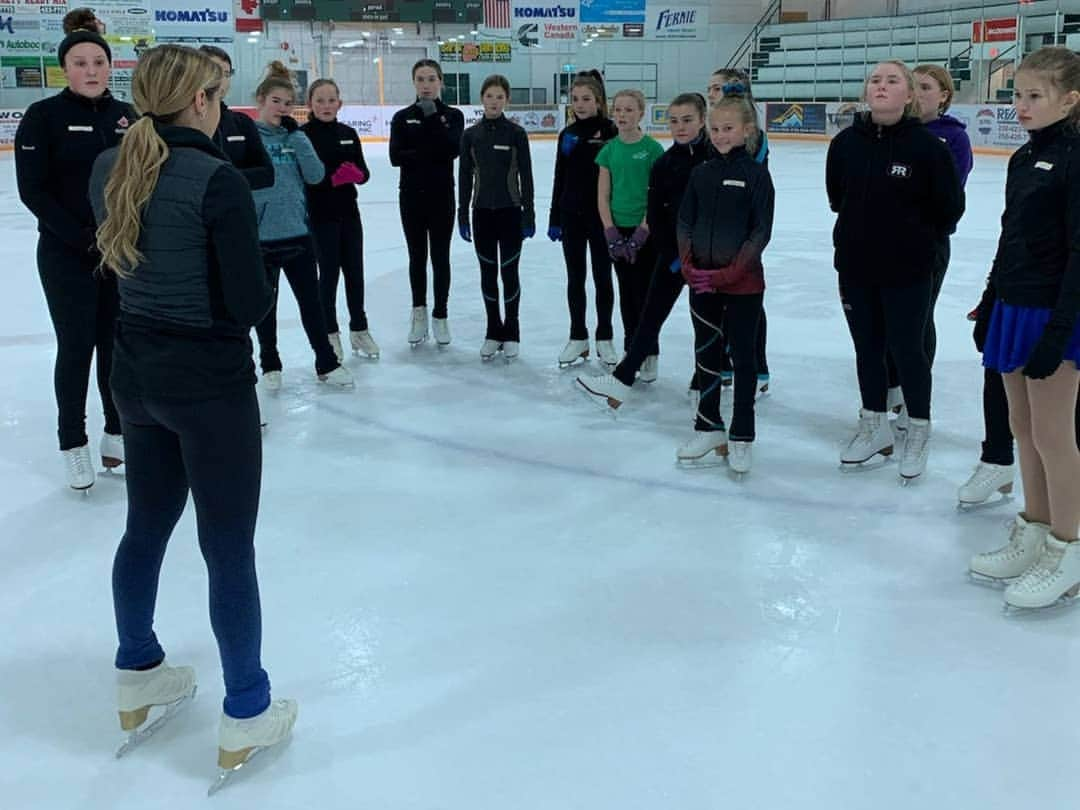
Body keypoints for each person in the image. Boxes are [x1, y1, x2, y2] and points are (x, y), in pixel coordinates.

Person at [87, 43, 296, 774]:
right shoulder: (216, 179)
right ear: (202, 101)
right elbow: (246, 304)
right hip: (207, 386)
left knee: (145, 526)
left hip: (134, 378)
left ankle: (137, 670)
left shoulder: (109, 166)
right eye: (221, 94)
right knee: (227, 547)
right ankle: (247, 709)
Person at [968, 47, 1080, 610]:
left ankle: (1070, 547)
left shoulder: (1077, 159)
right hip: (1014, 305)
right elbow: (1010, 236)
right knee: (1022, 427)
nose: (1022, 105)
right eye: (1018, 94)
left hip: (1054, 312)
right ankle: (1035, 528)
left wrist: (1059, 331)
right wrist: (990, 302)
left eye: (1035, 95)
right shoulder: (1021, 160)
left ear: (1070, 99)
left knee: (1055, 434)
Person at [825, 60, 963, 481]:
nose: (881, 86)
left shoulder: (929, 148)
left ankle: (918, 428)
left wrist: (909, 238)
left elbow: (950, 210)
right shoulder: (845, 144)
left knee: (907, 349)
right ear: (867, 91)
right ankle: (874, 426)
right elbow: (837, 198)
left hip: (908, 270)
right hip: (855, 266)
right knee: (867, 348)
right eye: (875, 80)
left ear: (910, 95)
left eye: (893, 80)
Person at [15, 26, 135, 490]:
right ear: (64, 69)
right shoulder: (43, 116)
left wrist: (121, 236)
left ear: (110, 67)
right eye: (81, 63)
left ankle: (115, 432)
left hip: (118, 250)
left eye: (99, 62)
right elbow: (34, 191)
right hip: (67, 253)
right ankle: (73, 443)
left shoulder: (127, 116)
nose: (91, 70)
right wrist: (84, 237)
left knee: (116, 344)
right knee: (76, 346)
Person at [576, 93, 711, 408]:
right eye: (674, 120)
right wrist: (670, 252)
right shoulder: (665, 162)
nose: (680, 127)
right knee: (650, 316)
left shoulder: (712, 159)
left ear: (702, 120)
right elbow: (658, 212)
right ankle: (621, 380)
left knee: (705, 320)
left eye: (687, 120)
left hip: (708, 258)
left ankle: (704, 376)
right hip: (673, 256)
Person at [672, 96, 775, 476]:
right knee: (706, 355)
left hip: (742, 285)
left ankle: (742, 434)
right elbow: (684, 221)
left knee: (744, 360)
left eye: (728, 128)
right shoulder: (702, 172)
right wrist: (687, 264)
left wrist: (729, 274)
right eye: (714, 129)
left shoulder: (757, 175)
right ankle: (707, 426)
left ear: (748, 130)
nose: (719, 135)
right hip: (701, 282)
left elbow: (760, 231)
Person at [250, 61, 353, 390]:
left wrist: (298, 139)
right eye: (275, 101)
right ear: (261, 101)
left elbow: (316, 175)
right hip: (261, 237)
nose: (281, 108)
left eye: (286, 103)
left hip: (297, 233)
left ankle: (326, 360)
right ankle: (269, 362)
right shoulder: (249, 137)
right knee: (266, 307)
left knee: (312, 303)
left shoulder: (295, 137)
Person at [887, 64, 974, 429]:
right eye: (914, 86)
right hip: (886, 240)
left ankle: (914, 395)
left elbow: (950, 193)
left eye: (926, 87)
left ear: (944, 96)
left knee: (919, 318)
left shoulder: (953, 138)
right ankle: (893, 386)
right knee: (889, 317)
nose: (918, 93)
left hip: (928, 243)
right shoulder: (894, 132)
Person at [458, 74, 535, 361]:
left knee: (510, 273)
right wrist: (462, 215)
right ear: (482, 99)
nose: (494, 101)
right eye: (489, 96)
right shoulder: (470, 136)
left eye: (499, 97)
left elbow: (526, 176)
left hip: (511, 213)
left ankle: (512, 331)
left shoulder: (516, 134)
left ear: (507, 100)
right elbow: (464, 177)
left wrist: (529, 214)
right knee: (488, 274)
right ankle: (493, 330)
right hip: (481, 215)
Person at [302, 78, 379, 361]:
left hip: (349, 214)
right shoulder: (304, 135)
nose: (326, 105)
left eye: (331, 100)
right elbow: (304, 179)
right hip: (321, 216)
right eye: (319, 100)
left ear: (339, 103)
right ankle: (330, 333)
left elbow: (365, 172)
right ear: (310, 104)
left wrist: (357, 175)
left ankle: (359, 329)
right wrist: (329, 180)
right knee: (329, 276)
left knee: (355, 274)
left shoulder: (348, 133)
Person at [389, 59, 465, 346]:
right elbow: (396, 156)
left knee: (441, 257)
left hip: (442, 196)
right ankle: (418, 313)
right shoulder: (402, 116)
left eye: (431, 79)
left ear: (441, 82)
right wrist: (432, 149)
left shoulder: (453, 116)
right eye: (420, 79)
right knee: (417, 257)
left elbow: (452, 149)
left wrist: (431, 122)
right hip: (410, 197)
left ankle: (440, 315)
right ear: (414, 82)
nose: (426, 85)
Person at [548, 70, 618, 368]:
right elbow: (559, 177)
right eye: (575, 99)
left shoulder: (611, 131)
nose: (580, 104)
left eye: (586, 99)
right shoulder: (567, 134)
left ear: (599, 101)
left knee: (603, 278)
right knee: (575, 278)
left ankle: (605, 337)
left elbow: (618, 177)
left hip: (602, 218)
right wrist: (555, 217)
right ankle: (578, 337)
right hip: (571, 216)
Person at [707, 68, 770, 395]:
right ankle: (723, 358)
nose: (712, 93)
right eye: (709, 88)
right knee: (719, 300)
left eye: (718, 88)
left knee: (747, 300)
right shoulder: (714, 134)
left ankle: (756, 363)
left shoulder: (751, 137)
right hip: (714, 235)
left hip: (744, 233)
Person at [596, 89, 665, 365]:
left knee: (646, 294)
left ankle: (650, 352)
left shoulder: (652, 149)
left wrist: (643, 231)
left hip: (645, 233)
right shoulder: (609, 150)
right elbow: (603, 195)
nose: (622, 115)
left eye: (628, 110)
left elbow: (658, 197)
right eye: (618, 110)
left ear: (641, 113)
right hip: (618, 232)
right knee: (626, 294)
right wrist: (610, 231)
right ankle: (631, 349)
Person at [197, 45, 274, 190]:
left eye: (226, 74)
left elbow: (267, 174)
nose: (221, 80)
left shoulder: (242, 123)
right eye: (215, 71)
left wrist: (223, 179)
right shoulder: (185, 120)